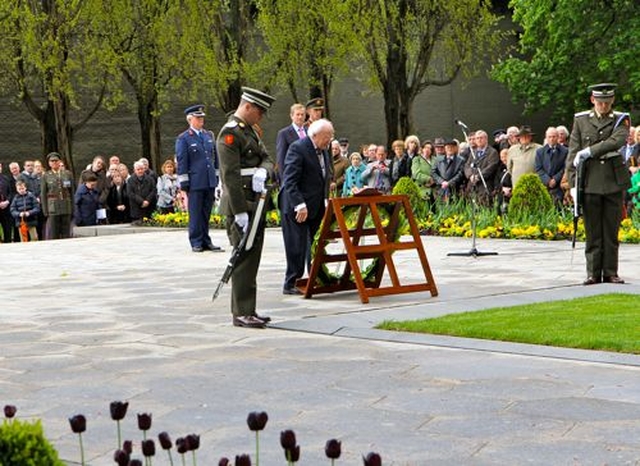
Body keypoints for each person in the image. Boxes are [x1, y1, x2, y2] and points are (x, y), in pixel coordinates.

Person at [216, 87, 276, 329]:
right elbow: (229, 175)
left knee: (252, 258)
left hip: (256, 201)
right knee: (243, 258)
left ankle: (248, 309)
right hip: (240, 204)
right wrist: (239, 210)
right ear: (248, 106)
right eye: (259, 111)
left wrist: (263, 170)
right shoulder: (230, 134)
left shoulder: (249, 130)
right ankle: (241, 312)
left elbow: (267, 157)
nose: (260, 117)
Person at [566, 83, 630, 285]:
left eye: (607, 102)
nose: (604, 106)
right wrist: (572, 183)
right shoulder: (581, 120)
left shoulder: (621, 119)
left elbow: (617, 141)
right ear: (593, 100)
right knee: (593, 230)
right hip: (590, 179)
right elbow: (573, 152)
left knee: (611, 230)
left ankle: (611, 271)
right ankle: (593, 272)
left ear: (612, 101)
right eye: (600, 102)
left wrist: (590, 151)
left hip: (612, 179)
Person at [279, 119, 334, 296]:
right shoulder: (298, 148)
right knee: (296, 245)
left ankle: (315, 277)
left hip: (316, 204)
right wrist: (300, 205)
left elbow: (324, 176)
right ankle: (291, 282)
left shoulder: (324, 150)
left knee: (316, 244)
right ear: (315, 135)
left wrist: (325, 199)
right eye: (327, 136)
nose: (330, 140)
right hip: (297, 205)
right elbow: (290, 180)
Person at [175, 104, 222, 252]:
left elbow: (214, 158)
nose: (201, 120)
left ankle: (205, 239)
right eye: (198, 117)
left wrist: (216, 176)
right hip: (195, 181)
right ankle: (196, 240)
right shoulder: (184, 138)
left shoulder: (208, 136)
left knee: (206, 212)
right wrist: (184, 182)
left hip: (208, 180)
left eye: (202, 117)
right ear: (190, 119)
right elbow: (182, 161)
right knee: (195, 213)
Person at [41, 152, 75, 240]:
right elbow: (43, 194)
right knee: (54, 233)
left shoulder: (67, 174)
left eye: (56, 160)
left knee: (66, 232)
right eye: (52, 161)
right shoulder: (46, 176)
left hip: (65, 205)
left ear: (60, 161)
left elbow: (71, 192)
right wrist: (45, 210)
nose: (54, 162)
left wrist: (73, 207)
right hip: (53, 207)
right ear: (49, 163)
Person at [463, 130, 500, 205]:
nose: (479, 140)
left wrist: (478, 177)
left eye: (481, 138)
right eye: (477, 138)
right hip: (472, 187)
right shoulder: (473, 152)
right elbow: (467, 166)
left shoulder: (492, 152)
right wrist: (470, 175)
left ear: (486, 139)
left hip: (484, 185)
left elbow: (491, 167)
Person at [534, 127, 568, 205]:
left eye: (554, 136)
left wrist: (555, 179)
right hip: (544, 186)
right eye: (549, 137)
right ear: (546, 137)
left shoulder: (565, 151)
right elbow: (538, 168)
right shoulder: (540, 152)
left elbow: (565, 168)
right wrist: (547, 180)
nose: (551, 139)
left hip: (559, 186)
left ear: (557, 137)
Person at [276, 103, 307, 185]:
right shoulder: (284, 133)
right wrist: (284, 179)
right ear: (291, 116)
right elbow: (281, 158)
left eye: (302, 114)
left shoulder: (309, 131)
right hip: (292, 175)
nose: (300, 117)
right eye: (297, 114)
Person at [507, 125, 542, 189]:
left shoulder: (539, 149)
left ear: (531, 137)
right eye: (522, 136)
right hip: (517, 185)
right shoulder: (512, 149)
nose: (524, 138)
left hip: (534, 185)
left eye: (527, 136)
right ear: (519, 137)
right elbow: (509, 168)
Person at [126, 160, 157, 225]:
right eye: (138, 169)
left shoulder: (150, 179)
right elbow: (130, 193)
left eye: (141, 169)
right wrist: (141, 201)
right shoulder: (130, 180)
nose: (140, 171)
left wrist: (147, 201)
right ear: (134, 170)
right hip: (136, 209)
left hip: (149, 207)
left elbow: (153, 190)